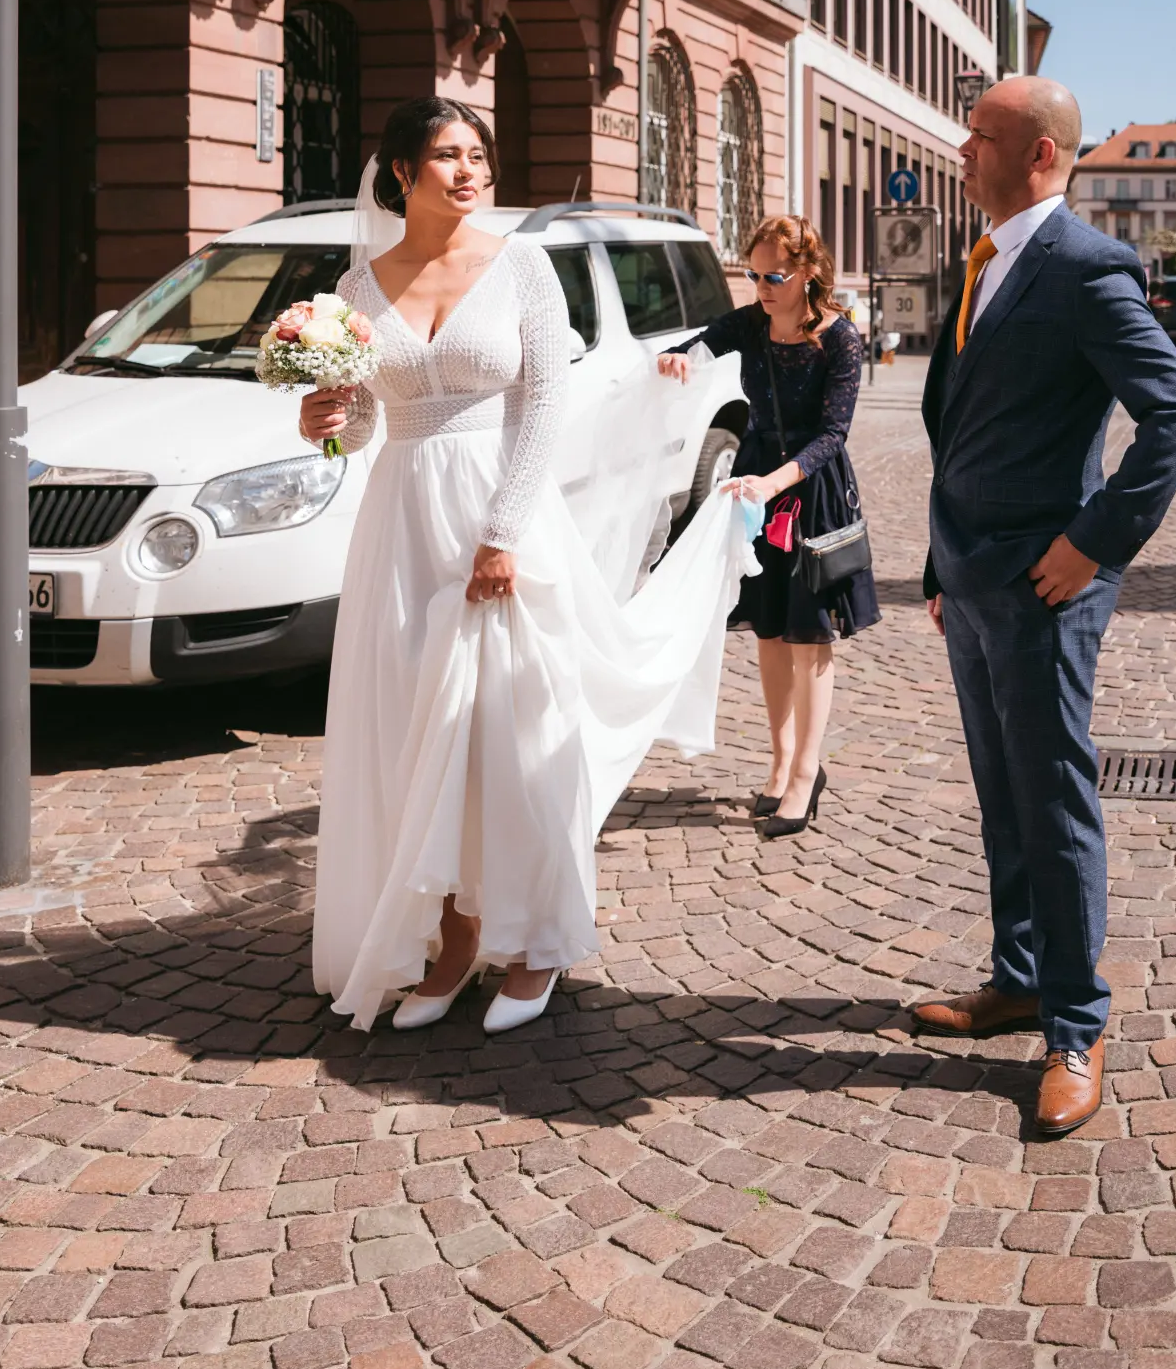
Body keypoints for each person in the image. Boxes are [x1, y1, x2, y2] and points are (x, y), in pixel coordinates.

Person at [300, 99, 755, 1035]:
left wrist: (503, 533)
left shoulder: (521, 268)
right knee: (414, 731)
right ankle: (452, 940)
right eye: (446, 155)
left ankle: (537, 942)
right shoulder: (355, 288)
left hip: (501, 514)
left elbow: (544, 403)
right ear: (400, 173)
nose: (469, 171)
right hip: (402, 524)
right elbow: (363, 422)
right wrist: (323, 422)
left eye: (478, 154)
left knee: (511, 734)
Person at [912, 77, 1176, 1136]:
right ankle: (1020, 977)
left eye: (980, 134)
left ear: (1038, 153)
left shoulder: (1085, 266)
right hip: (971, 578)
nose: (961, 147)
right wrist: (939, 568)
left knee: (1052, 798)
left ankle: (1074, 1028)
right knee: (1001, 792)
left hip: (1044, 586)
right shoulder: (985, 258)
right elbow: (963, 427)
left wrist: (1093, 543)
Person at [659, 216, 879, 837]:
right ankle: (780, 763)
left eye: (774, 277)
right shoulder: (752, 322)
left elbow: (833, 435)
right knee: (769, 630)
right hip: (757, 484)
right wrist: (676, 359)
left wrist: (773, 483)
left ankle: (807, 771)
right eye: (754, 275)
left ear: (807, 272)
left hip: (810, 489)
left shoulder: (841, 339)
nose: (761, 287)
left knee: (809, 636)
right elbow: (699, 343)